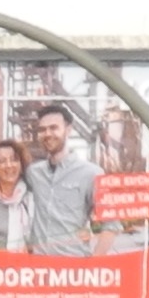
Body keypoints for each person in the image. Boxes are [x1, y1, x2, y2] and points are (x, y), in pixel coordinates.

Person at [19, 104, 97, 256]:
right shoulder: (33, 173)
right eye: (42, 130)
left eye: (54, 128)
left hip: (73, 266)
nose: (47, 134)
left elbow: (111, 226)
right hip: (38, 267)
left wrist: (94, 268)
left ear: (68, 130)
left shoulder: (91, 173)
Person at [0, 139, 36, 251]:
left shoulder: (32, 202)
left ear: (21, 167)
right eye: (2, 161)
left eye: (14, 160)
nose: (9, 165)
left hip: (20, 266)